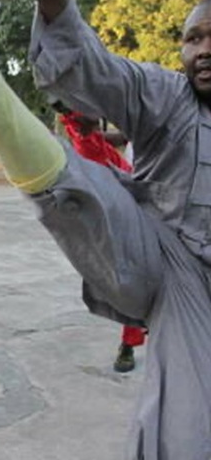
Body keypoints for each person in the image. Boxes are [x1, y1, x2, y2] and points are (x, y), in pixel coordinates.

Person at [0, 0, 211, 460]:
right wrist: (53, 0)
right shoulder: (169, 95)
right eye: (193, 39)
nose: (203, 50)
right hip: (171, 268)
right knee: (90, 192)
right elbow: (100, 72)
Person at [52, 99, 147, 373]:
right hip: (137, 187)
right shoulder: (148, 119)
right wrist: (84, 128)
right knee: (135, 276)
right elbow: (108, 142)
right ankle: (129, 343)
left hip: (177, 198)